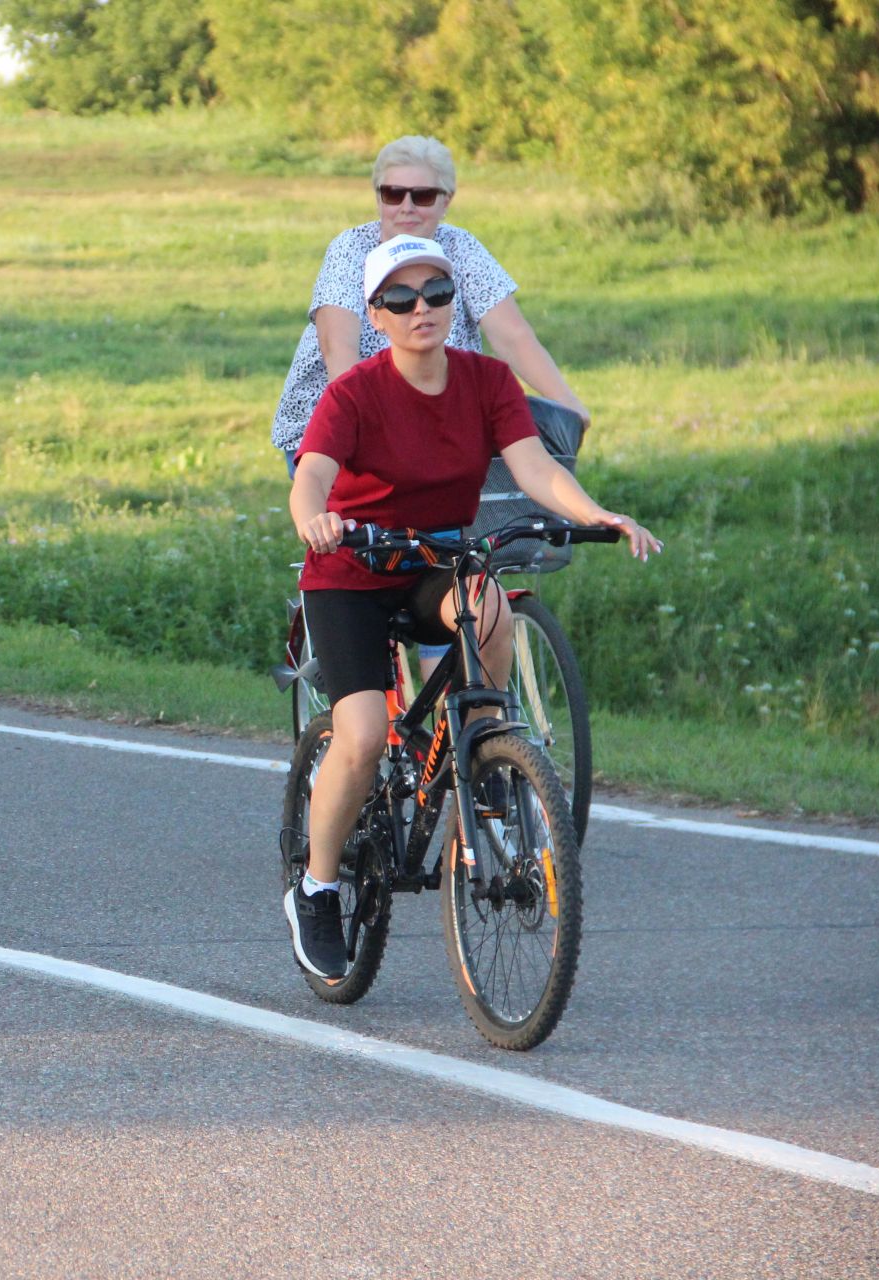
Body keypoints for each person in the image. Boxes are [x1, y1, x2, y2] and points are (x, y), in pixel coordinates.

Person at [284, 235, 659, 981]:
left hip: (435, 564)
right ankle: (317, 888)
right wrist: (314, 518)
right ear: (377, 316)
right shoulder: (354, 392)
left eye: (436, 294)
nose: (421, 309)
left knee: (488, 606)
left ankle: (485, 750)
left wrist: (597, 513)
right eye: (401, 298)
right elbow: (312, 476)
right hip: (351, 573)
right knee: (361, 736)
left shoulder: (487, 381)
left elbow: (534, 468)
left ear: (455, 306)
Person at [275, 134, 592, 680]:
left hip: (439, 424)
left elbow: (512, 336)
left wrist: (568, 406)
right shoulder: (351, 252)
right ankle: (367, 680)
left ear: (447, 200)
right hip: (341, 432)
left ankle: (453, 736)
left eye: (422, 196)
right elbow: (339, 352)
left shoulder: (462, 251)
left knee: (452, 567)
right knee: (374, 559)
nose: (405, 206)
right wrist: (383, 429)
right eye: (391, 192)